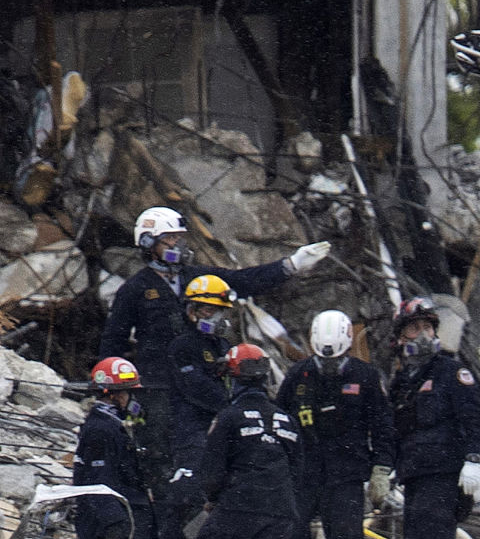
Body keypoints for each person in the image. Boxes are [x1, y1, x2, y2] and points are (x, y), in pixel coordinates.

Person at [98, 205, 329, 507]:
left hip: (199, 388)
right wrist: (111, 392)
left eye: (180, 238)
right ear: (147, 242)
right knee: (157, 455)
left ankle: (200, 520)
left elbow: (244, 281)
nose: (178, 245)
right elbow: (113, 341)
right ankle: (164, 525)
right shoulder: (136, 289)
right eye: (169, 239)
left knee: (203, 454)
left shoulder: (199, 279)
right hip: (158, 389)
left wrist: (290, 265)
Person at [388, 297, 480, 539]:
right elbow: (398, 430)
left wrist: (473, 459)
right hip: (415, 477)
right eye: (414, 328)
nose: (423, 334)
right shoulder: (402, 383)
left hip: (445, 475)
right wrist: (389, 468)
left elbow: (477, 419)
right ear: (400, 337)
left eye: (428, 327)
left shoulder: (451, 372)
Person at [189, 343, 302, 539]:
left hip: (241, 503)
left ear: (232, 378)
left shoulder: (229, 417)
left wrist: (213, 499)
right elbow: (298, 468)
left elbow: (211, 470)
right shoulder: (286, 420)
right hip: (281, 509)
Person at [277, 309, 395, 539]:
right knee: (289, 532)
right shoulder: (298, 376)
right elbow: (280, 420)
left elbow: (383, 426)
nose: (329, 366)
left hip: (347, 473)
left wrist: (382, 467)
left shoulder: (365, 377)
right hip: (304, 471)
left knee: (346, 538)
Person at [143, 274, 234, 539]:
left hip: (217, 437)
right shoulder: (184, 346)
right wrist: (231, 404)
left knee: (202, 508)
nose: (209, 316)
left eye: (215, 310)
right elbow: (197, 388)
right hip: (191, 435)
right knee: (186, 500)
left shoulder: (222, 346)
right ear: (191, 309)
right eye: (203, 309)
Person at [73, 356, 154, 539]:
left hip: (120, 519)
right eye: (128, 392)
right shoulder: (101, 430)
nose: (131, 398)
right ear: (114, 395)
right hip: (106, 526)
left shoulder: (113, 425)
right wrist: (114, 522)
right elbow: (96, 480)